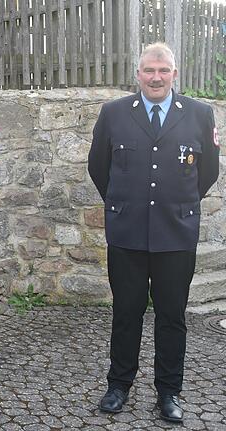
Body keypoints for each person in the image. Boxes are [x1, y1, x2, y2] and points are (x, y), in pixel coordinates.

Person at [88, 42, 220, 423]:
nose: (156, 77)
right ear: (138, 74)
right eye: (149, 70)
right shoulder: (114, 113)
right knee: (126, 312)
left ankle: (168, 392)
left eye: (163, 71)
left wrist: (175, 204)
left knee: (171, 316)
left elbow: (207, 172)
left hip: (175, 234)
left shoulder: (198, 114)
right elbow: (100, 167)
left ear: (174, 74)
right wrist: (123, 203)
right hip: (127, 232)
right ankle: (119, 385)